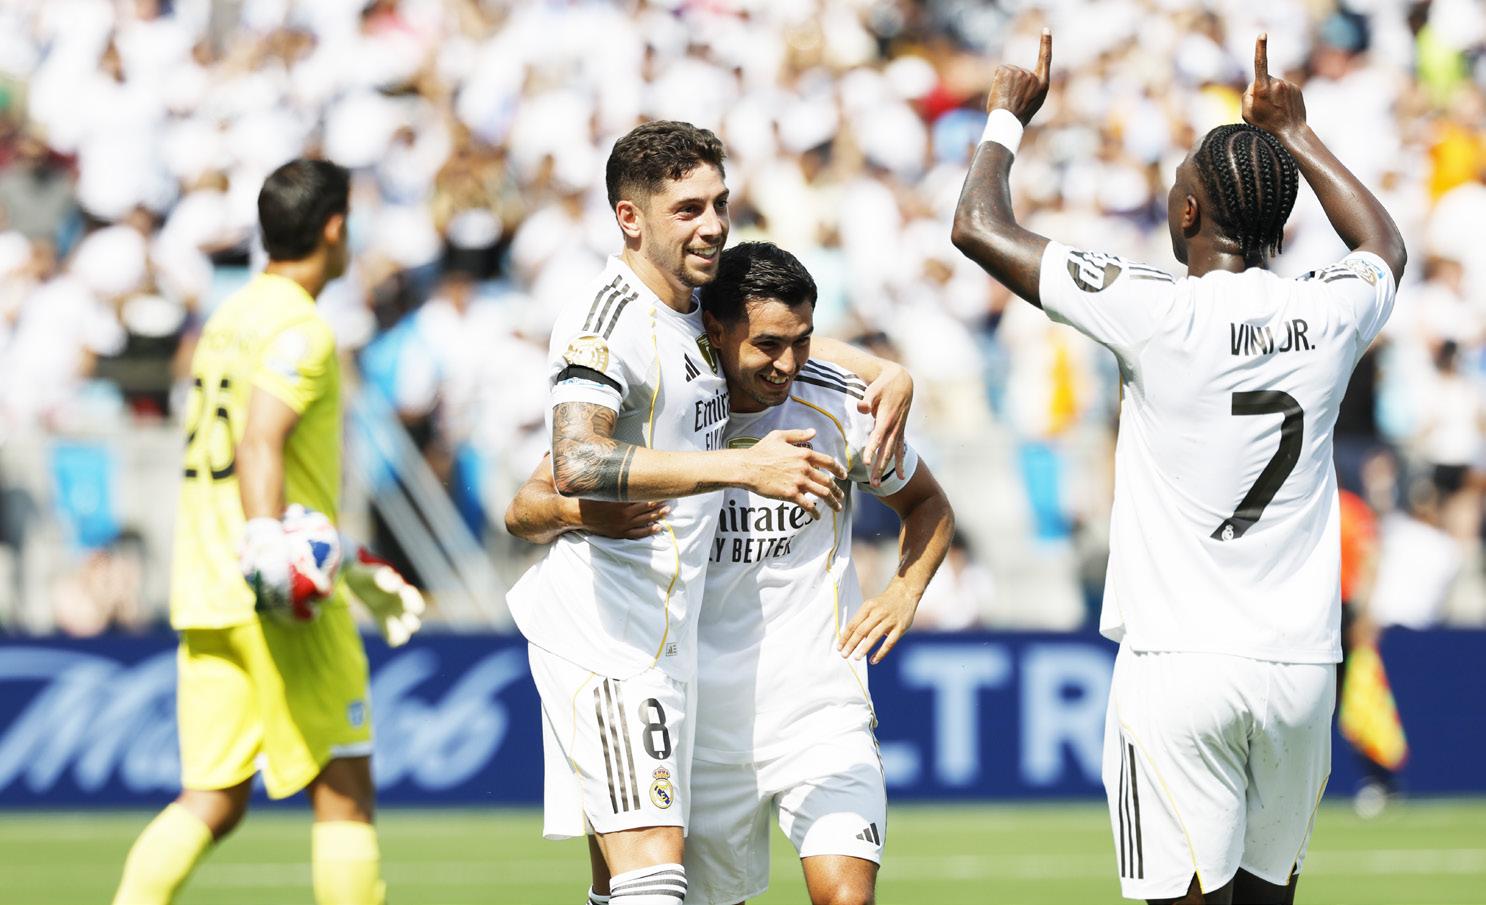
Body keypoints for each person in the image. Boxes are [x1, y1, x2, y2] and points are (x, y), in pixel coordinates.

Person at [951, 30, 1406, 905]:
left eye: (1175, 184)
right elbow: (1384, 245)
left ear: (1189, 214)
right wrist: (1296, 132)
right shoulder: (1329, 313)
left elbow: (978, 225)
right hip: (1300, 668)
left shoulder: (1157, 310)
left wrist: (1007, 117)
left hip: (1179, 662)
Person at [505, 122, 913, 905]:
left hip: (668, 640)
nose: (714, 225)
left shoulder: (692, 308)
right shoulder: (605, 321)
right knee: (655, 876)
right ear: (630, 218)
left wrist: (884, 368)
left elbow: (775, 335)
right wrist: (742, 466)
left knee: (628, 882)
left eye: (719, 203)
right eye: (688, 209)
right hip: (607, 637)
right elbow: (573, 462)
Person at [112, 159, 424, 905]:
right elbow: (259, 444)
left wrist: (349, 565)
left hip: (207, 588)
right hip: (276, 597)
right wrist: (267, 547)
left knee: (212, 799)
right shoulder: (302, 328)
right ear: (335, 228)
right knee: (344, 793)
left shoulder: (228, 317)